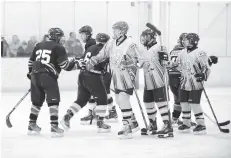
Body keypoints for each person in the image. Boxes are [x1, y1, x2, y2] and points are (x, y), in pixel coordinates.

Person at [86, 21, 140, 139]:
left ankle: (127, 127)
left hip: (126, 76)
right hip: (115, 76)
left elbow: (137, 60)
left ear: (122, 31)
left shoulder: (130, 44)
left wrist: (129, 63)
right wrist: (93, 61)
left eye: (116, 29)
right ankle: (133, 121)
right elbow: (102, 55)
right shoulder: (111, 43)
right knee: (119, 100)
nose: (113, 32)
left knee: (122, 98)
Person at [27, 28, 78, 137]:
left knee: (37, 101)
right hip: (48, 77)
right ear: (56, 37)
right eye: (61, 37)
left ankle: (32, 125)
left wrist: (30, 74)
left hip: (35, 76)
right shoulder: (58, 47)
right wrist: (77, 65)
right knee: (53, 100)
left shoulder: (39, 45)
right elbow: (65, 66)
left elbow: (31, 62)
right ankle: (54, 126)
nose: (62, 39)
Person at [60, 33, 112, 133]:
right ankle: (100, 124)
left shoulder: (90, 48)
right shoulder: (105, 49)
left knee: (82, 100)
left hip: (82, 76)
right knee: (103, 99)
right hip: (93, 76)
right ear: (106, 42)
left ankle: (67, 116)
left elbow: (83, 59)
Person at [169, 33, 218, 127]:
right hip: (183, 81)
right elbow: (180, 65)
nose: (184, 41)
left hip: (189, 82)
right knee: (184, 102)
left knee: (190, 103)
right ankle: (186, 123)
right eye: (184, 39)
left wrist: (203, 75)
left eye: (186, 39)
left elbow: (205, 67)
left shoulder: (198, 52)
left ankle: (199, 124)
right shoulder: (182, 52)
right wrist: (170, 65)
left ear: (192, 41)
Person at [138, 28, 173, 138]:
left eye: (146, 36)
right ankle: (152, 124)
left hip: (159, 80)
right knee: (147, 102)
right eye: (143, 36)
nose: (144, 39)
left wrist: (165, 59)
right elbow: (140, 64)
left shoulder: (160, 47)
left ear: (153, 38)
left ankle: (168, 125)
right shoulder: (142, 50)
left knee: (161, 102)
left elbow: (168, 63)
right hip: (148, 81)